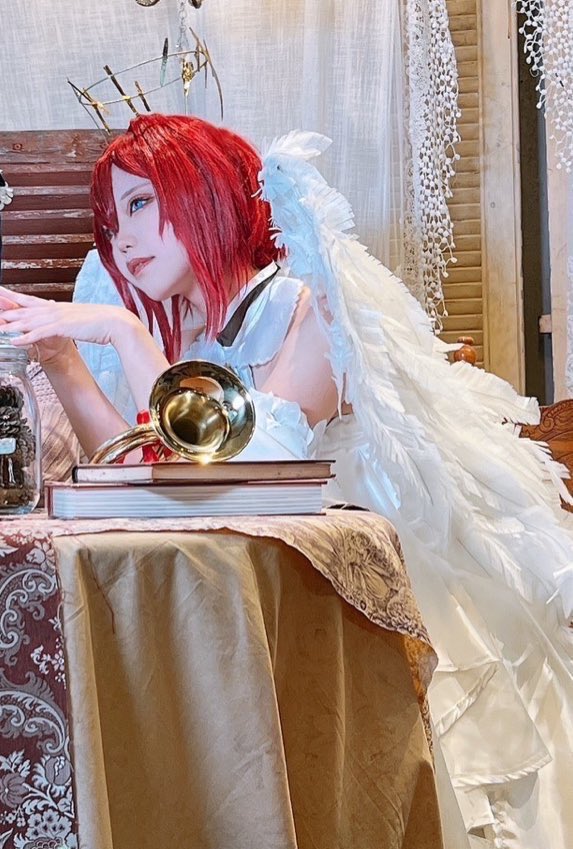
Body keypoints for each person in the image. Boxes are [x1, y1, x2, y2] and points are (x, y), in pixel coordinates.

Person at [0, 113, 572, 849]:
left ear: (206, 191)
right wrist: (60, 358)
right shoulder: (193, 335)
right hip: (252, 580)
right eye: (111, 221)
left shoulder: (308, 303)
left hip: (356, 587)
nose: (123, 239)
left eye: (140, 203)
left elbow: (243, 476)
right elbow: (136, 466)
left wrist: (124, 331)